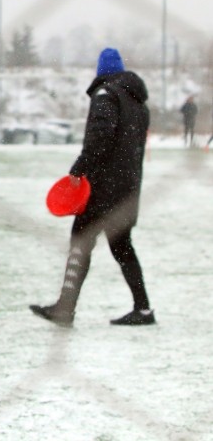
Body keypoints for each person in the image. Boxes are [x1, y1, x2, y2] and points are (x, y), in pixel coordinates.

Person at [31, 47, 155, 327]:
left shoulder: (106, 96)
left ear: (100, 72)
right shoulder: (138, 103)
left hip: (102, 189)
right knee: (122, 246)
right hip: (128, 189)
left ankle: (65, 309)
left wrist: (79, 169)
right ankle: (144, 309)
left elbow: (100, 137)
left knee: (81, 242)